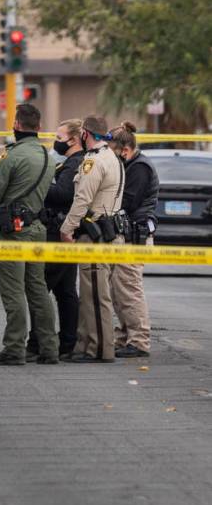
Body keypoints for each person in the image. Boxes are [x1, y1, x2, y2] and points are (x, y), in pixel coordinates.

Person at [0, 103, 58, 366]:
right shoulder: (48, 157)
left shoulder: (11, 157)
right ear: (39, 127)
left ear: (16, 125)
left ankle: (14, 348)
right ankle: (49, 347)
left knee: (13, 291)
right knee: (38, 290)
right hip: (37, 230)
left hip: (13, 232)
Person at [59, 114, 125, 364]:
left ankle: (98, 350)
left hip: (97, 235)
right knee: (91, 294)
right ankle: (85, 345)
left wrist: (67, 229)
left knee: (97, 297)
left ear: (85, 134)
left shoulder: (93, 162)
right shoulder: (113, 157)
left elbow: (82, 200)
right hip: (109, 234)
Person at [25, 118, 84, 361]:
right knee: (65, 291)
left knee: (41, 288)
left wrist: (38, 184)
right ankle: (67, 341)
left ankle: (38, 342)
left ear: (74, 140)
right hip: (62, 232)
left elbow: (62, 194)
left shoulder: (75, 164)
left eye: (59, 139)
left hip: (58, 233)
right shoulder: (69, 162)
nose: (55, 142)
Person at [108, 121, 157, 358]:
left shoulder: (140, 168)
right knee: (118, 291)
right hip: (126, 235)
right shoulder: (133, 164)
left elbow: (127, 201)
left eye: (115, 153)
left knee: (129, 290)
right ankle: (124, 336)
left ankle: (138, 340)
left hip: (135, 237)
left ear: (125, 150)